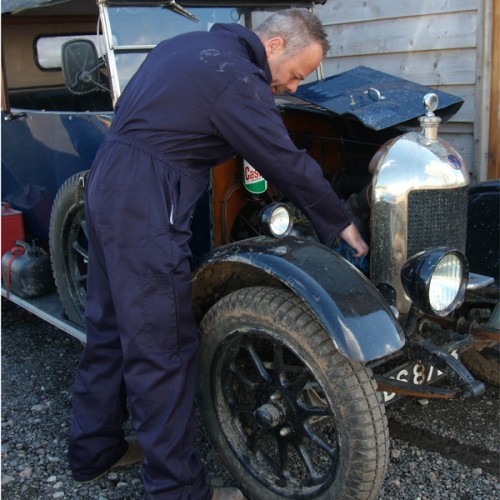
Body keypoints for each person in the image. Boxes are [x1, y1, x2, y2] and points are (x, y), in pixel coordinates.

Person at [68, 8, 369, 500]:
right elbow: (282, 158)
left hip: (107, 182)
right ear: (272, 46)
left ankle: (93, 452)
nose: (293, 88)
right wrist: (338, 220)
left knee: (109, 327)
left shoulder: (181, 48)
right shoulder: (236, 76)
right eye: (295, 74)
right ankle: (175, 490)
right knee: (162, 345)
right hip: (147, 199)